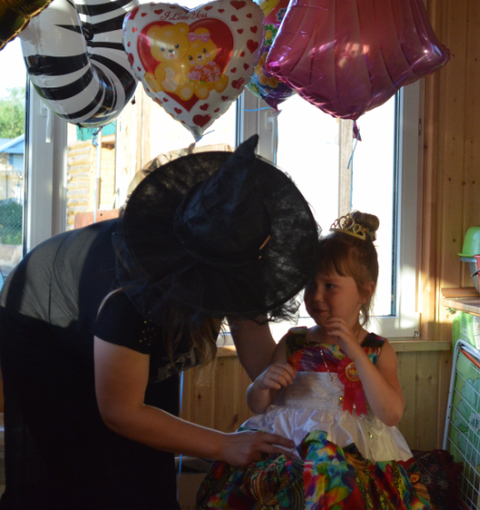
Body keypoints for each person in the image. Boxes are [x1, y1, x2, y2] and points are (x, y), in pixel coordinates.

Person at [0, 135, 319, 510]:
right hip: (44, 321)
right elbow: (121, 412)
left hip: (122, 330)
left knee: (149, 466)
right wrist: (224, 445)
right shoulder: (132, 291)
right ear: (198, 265)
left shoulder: (236, 250)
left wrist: (321, 391)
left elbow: (261, 360)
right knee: (78, 472)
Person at [196, 212, 432, 510]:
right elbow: (259, 405)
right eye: (310, 285)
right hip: (288, 445)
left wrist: (357, 355)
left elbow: (391, 414)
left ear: (364, 291)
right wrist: (262, 384)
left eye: (330, 286)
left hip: (355, 451)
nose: (316, 296)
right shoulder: (294, 342)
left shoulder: (375, 349)